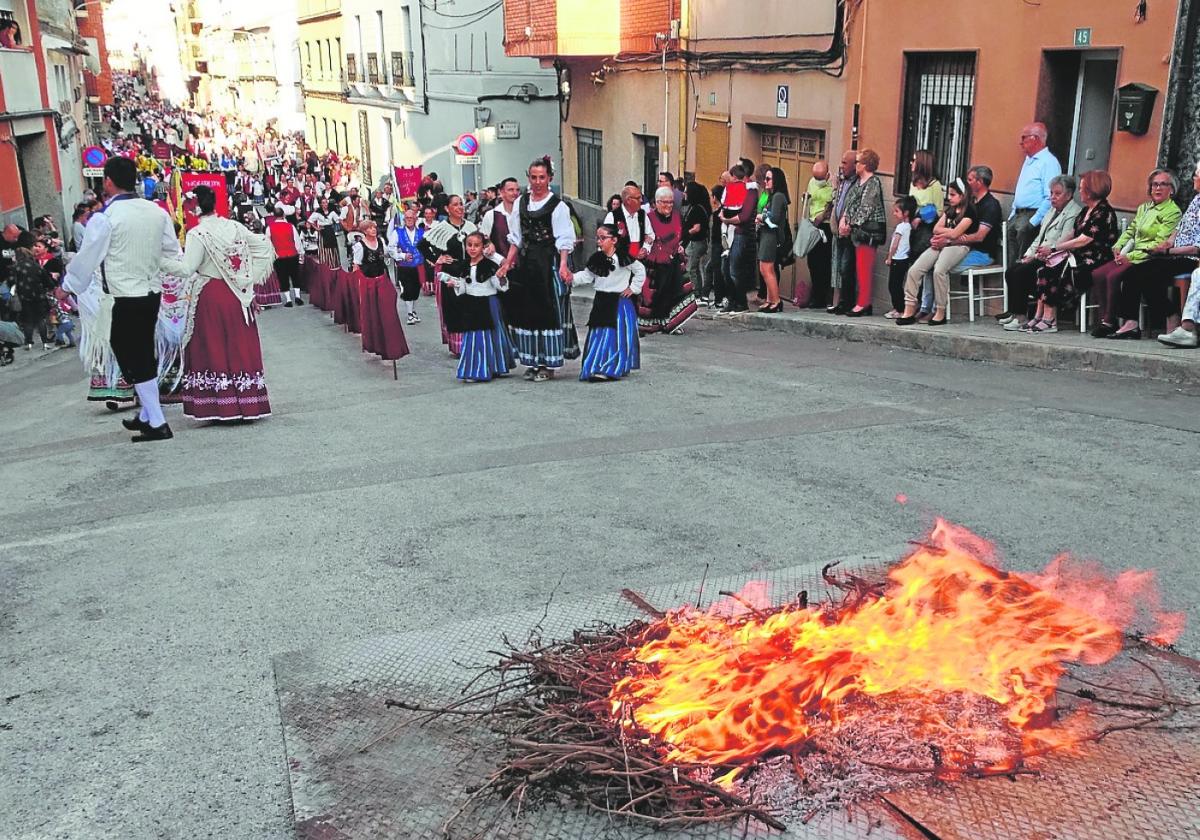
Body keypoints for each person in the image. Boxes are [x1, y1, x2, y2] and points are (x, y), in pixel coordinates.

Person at [63, 155, 182, 442]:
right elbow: (170, 251)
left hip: (123, 296)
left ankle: (157, 420)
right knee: (141, 351)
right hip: (150, 292)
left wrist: (68, 285)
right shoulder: (156, 212)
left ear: (108, 182)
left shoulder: (105, 218)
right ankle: (147, 415)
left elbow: (89, 257)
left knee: (129, 352)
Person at [160, 184, 274, 422]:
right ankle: (247, 403)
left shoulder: (197, 234)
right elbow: (264, 246)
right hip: (236, 294)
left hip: (211, 294)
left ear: (194, 208)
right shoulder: (233, 226)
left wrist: (157, 261)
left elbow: (187, 268)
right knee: (238, 344)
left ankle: (221, 405)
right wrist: (247, 279)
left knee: (212, 345)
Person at [497, 156, 577, 381]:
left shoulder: (558, 206)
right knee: (527, 312)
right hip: (527, 263)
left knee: (547, 311)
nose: (538, 181)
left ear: (549, 178)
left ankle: (547, 364)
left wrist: (562, 265)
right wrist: (507, 263)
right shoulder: (521, 203)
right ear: (528, 178)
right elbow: (517, 238)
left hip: (547, 263)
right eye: (534, 177)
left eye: (542, 177)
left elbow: (564, 238)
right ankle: (532, 361)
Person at [1110, 164, 1200, 340]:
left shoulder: (1172, 210)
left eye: (1196, 175)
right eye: (1154, 184)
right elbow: (1180, 229)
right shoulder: (1196, 200)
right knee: (1135, 272)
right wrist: (1168, 244)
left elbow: (1196, 247)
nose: (1193, 179)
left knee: (1147, 274)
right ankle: (1132, 323)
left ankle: (1171, 315)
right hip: (1172, 253)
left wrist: (1168, 251)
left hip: (1188, 256)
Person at [1090, 169, 1183, 339]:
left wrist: (1129, 256)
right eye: (1155, 184)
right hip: (1132, 254)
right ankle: (1105, 319)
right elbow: (1131, 231)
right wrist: (1118, 247)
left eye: (1163, 184)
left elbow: (1159, 243)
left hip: (1150, 256)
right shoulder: (1144, 208)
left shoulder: (1172, 211)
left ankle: (1113, 321)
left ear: (1172, 189)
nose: (1158, 188)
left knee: (1116, 276)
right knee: (1098, 274)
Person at [1026, 170, 1119, 334]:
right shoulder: (1085, 211)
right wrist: (1051, 252)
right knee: (1044, 267)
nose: (1080, 191)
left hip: (1093, 259)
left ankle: (1050, 319)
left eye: (1083, 188)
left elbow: (1084, 239)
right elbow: (1072, 234)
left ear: (1092, 190)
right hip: (1077, 255)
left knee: (1053, 272)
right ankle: (1040, 315)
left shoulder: (1104, 212)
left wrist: (1055, 248)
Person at [999, 175, 1081, 330]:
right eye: (1051, 193)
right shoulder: (1051, 210)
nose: (1052, 197)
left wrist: (1037, 256)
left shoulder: (1074, 212)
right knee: (1012, 270)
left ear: (1069, 195)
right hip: (1041, 254)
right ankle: (1015, 313)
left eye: (1057, 194)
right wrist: (1029, 254)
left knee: (1021, 273)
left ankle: (1022, 316)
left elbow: (1063, 241)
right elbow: (1040, 236)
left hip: (1055, 257)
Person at [897, 177, 976, 325]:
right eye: (949, 194)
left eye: (953, 195)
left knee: (939, 270)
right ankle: (909, 308)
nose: (949, 198)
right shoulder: (950, 210)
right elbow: (936, 228)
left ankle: (940, 311)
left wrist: (947, 234)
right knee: (915, 269)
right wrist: (949, 232)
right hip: (941, 243)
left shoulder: (970, 212)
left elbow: (955, 235)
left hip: (958, 246)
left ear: (963, 195)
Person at [572, 223, 644, 381]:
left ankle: (610, 367)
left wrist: (633, 288)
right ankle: (596, 366)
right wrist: (570, 278)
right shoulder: (596, 259)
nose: (599, 241)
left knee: (614, 336)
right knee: (598, 335)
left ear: (614, 240)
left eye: (603, 238)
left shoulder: (623, 258)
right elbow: (586, 276)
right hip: (601, 301)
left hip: (619, 303)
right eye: (598, 238)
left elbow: (640, 270)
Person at [436, 232, 511, 382]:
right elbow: (464, 287)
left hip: (488, 304)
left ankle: (486, 369)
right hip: (470, 305)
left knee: (488, 337)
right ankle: (477, 368)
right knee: (473, 338)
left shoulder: (490, 266)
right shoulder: (464, 265)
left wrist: (501, 277)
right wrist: (454, 283)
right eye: (469, 245)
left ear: (483, 247)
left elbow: (500, 286)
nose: (472, 248)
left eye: (476, 245)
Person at [419, 194, 476, 357]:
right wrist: (437, 258)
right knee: (454, 307)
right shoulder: (442, 228)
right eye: (456, 205)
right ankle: (457, 346)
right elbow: (422, 245)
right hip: (450, 271)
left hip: (468, 270)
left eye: (461, 204)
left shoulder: (471, 226)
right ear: (447, 209)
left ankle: (471, 342)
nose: (460, 208)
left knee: (470, 307)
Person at [639, 186, 697, 335]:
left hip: (672, 261)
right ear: (657, 203)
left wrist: (680, 247)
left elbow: (682, 234)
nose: (669, 206)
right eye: (665, 203)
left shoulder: (677, 216)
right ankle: (654, 325)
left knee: (674, 293)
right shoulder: (648, 218)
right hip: (654, 263)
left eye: (671, 202)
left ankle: (671, 323)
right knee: (654, 297)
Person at [1008, 123, 1063, 267]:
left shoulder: (1049, 162)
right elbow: (1022, 188)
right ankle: (1011, 285)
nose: (1021, 142)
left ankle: (1020, 287)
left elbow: (1050, 196)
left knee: (1023, 259)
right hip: (1018, 215)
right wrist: (1013, 212)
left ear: (1035, 139)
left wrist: (1034, 221)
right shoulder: (1029, 160)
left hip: (1031, 214)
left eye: (1024, 138)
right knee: (1011, 258)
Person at [840, 149, 886, 316]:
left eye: (858, 162)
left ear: (865, 165)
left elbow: (866, 208)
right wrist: (843, 219)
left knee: (864, 268)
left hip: (868, 233)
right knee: (858, 268)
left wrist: (850, 224)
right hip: (855, 232)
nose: (856, 164)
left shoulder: (873, 183)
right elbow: (850, 203)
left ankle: (864, 303)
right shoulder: (858, 182)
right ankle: (860, 302)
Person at [719, 163, 759, 314]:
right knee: (725, 269)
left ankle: (741, 302)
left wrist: (727, 220)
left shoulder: (751, 191)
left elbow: (744, 216)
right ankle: (732, 300)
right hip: (729, 232)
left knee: (735, 269)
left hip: (741, 233)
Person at [10, 231, 55, 350]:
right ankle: (45, 342)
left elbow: (11, 281)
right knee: (41, 319)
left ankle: (29, 343)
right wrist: (50, 286)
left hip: (24, 297)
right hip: (39, 296)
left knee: (28, 320)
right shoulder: (35, 266)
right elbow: (47, 280)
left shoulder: (16, 267)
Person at [756, 167, 790, 312]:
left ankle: (776, 300)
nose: (766, 181)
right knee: (765, 268)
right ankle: (770, 299)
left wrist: (761, 217)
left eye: (769, 179)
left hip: (771, 235)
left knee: (766, 268)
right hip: (766, 233)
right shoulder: (772, 195)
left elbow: (774, 218)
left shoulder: (778, 196)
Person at [828, 149, 858, 313]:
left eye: (845, 163)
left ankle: (847, 302)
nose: (842, 166)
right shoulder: (842, 181)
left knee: (847, 268)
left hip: (848, 232)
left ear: (855, 165)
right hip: (836, 230)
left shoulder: (857, 183)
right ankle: (838, 302)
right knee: (838, 267)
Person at [802, 160, 834, 309]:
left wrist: (822, 217)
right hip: (812, 223)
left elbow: (831, 206)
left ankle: (823, 296)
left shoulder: (833, 184)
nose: (818, 181)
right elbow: (810, 198)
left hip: (825, 225)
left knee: (824, 263)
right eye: (816, 178)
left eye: (821, 179)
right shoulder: (812, 182)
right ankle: (815, 295)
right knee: (812, 262)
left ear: (827, 175)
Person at [388, 206, 425, 324]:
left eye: (411, 218)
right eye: (407, 218)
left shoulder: (422, 232)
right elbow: (391, 248)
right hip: (404, 266)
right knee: (407, 289)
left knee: (416, 289)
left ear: (415, 219)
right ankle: (409, 314)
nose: (409, 220)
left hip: (418, 265)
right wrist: (402, 256)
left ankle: (413, 311)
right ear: (404, 220)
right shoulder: (397, 232)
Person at [885, 197, 917, 319]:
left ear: (906, 213)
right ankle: (897, 307)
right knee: (897, 284)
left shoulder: (901, 227)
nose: (894, 213)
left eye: (897, 211)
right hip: (904, 259)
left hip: (897, 259)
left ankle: (900, 308)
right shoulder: (910, 227)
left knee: (894, 285)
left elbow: (895, 244)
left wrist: (889, 257)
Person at [266, 206, 304, 307]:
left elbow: (268, 243)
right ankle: (297, 296)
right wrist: (300, 252)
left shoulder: (270, 228)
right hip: (292, 254)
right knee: (295, 276)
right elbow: (297, 241)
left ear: (274, 216)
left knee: (283, 278)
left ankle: (288, 300)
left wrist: (272, 255)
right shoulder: (290, 226)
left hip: (279, 256)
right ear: (283, 215)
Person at [682, 181, 711, 306]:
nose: (684, 194)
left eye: (686, 191)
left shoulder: (697, 209)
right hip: (698, 242)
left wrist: (685, 233)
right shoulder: (698, 206)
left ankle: (696, 293)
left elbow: (697, 227)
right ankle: (697, 292)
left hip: (696, 242)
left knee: (691, 268)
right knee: (695, 268)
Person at [604, 185, 652, 261]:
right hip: (619, 263)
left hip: (639, 262)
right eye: (638, 198)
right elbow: (605, 241)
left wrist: (645, 249)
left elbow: (650, 235)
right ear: (628, 200)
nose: (642, 200)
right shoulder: (612, 216)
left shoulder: (642, 214)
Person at [308, 196, 343, 268]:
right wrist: (316, 228)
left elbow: (337, 220)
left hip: (330, 230)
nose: (325, 204)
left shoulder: (332, 211)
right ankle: (325, 265)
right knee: (324, 248)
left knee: (333, 247)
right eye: (323, 203)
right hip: (323, 231)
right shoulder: (318, 212)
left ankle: (333, 263)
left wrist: (339, 221)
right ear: (321, 204)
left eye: (326, 202)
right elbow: (310, 220)